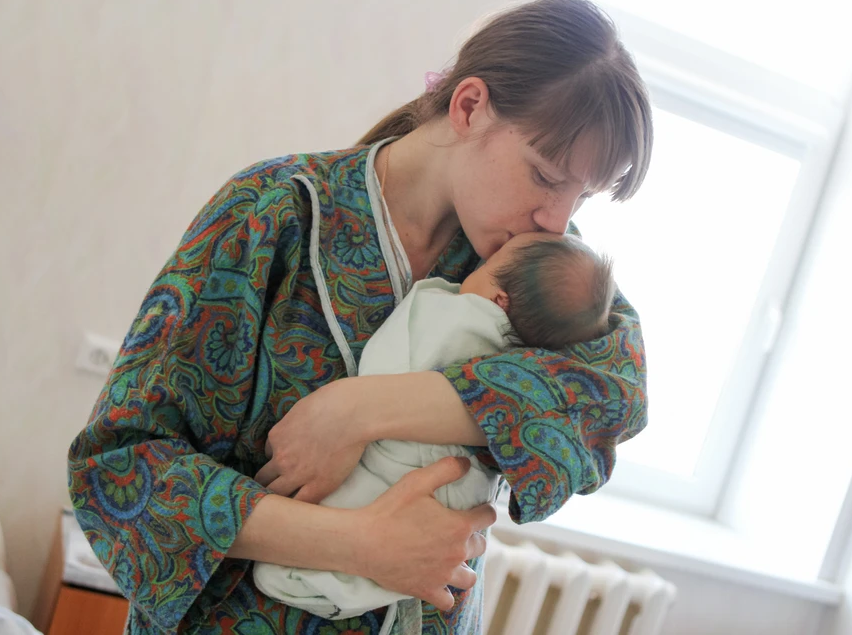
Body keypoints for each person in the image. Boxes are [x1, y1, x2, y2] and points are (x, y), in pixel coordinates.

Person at [66, 0, 653, 633]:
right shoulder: (271, 212)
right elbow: (122, 467)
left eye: (582, 197)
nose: (557, 220)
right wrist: (360, 544)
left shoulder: (535, 262)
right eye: (545, 176)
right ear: (469, 106)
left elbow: (613, 397)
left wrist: (360, 410)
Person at [253, 233, 616, 633]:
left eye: (489, 266)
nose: (557, 219)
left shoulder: (475, 312)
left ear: (499, 301)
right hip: (439, 516)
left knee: (374, 491)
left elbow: (389, 364)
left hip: (423, 496)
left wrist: (358, 408)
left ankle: (316, 579)